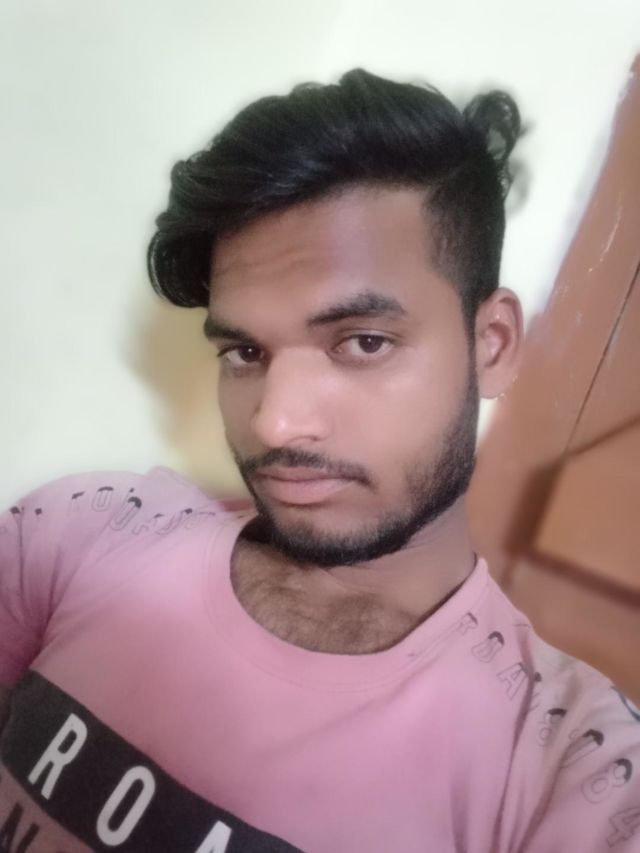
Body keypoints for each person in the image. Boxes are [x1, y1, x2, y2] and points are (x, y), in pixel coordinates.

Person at [0, 68, 638, 853]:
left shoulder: (566, 767)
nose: (274, 421)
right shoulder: (78, 533)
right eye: (244, 351)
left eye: (363, 342)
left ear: (492, 344)